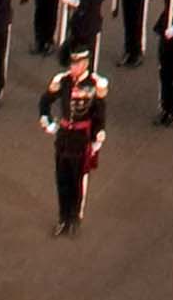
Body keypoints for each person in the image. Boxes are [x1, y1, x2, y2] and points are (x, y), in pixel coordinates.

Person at [40, 50, 109, 236]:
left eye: (77, 64)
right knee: (62, 178)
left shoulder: (94, 84)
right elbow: (45, 100)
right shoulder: (64, 81)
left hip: (81, 137)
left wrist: (97, 135)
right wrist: (46, 119)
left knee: (77, 180)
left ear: (85, 64)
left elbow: (99, 112)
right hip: (64, 136)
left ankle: (74, 218)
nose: (73, 68)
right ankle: (63, 218)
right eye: (71, 64)